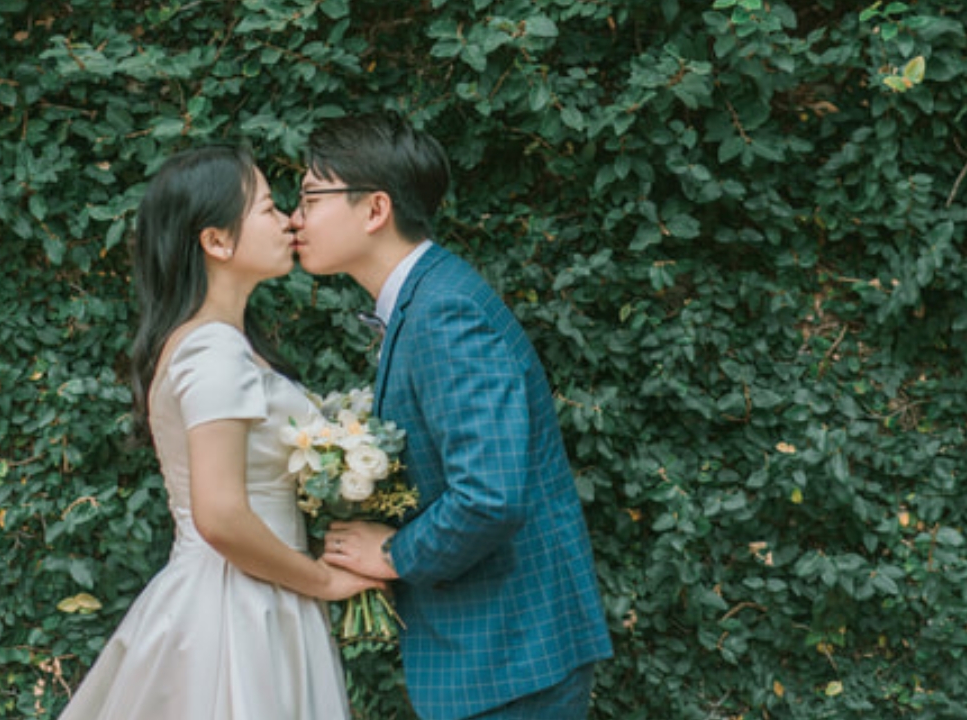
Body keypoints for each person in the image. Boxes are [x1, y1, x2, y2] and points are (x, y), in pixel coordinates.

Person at [290, 112, 613, 720]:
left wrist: (392, 554)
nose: (294, 217)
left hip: (510, 660)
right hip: (500, 655)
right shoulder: (427, 300)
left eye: (310, 195)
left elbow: (489, 495)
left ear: (374, 209)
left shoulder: (444, 313)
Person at [59, 144, 379, 720]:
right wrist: (322, 582)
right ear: (216, 241)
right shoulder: (212, 351)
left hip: (256, 593)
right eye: (267, 208)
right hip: (236, 607)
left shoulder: (217, 344)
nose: (288, 221)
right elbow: (222, 515)